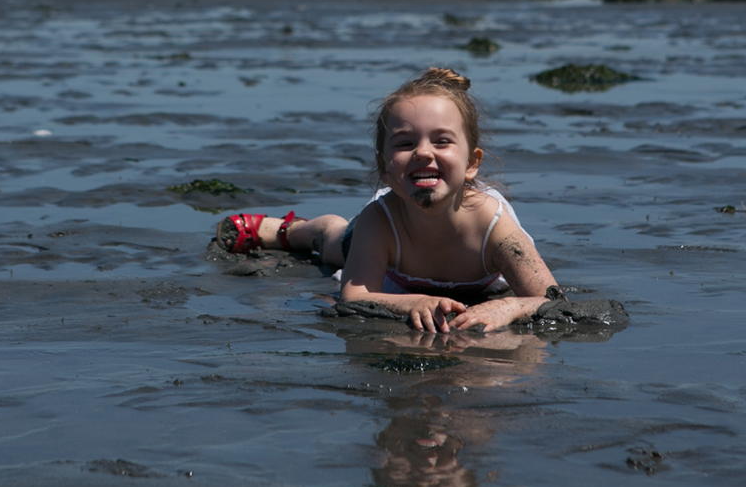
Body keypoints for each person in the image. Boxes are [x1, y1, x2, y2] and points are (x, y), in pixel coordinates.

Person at [215, 67, 559, 334]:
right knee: (334, 241)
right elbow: (355, 296)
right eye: (405, 143)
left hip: (477, 280)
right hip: (392, 270)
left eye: (442, 141)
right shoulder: (380, 220)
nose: (423, 153)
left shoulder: (493, 227)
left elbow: (551, 298)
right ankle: (293, 232)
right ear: (384, 168)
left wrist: (505, 308)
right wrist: (416, 303)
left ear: (471, 164)